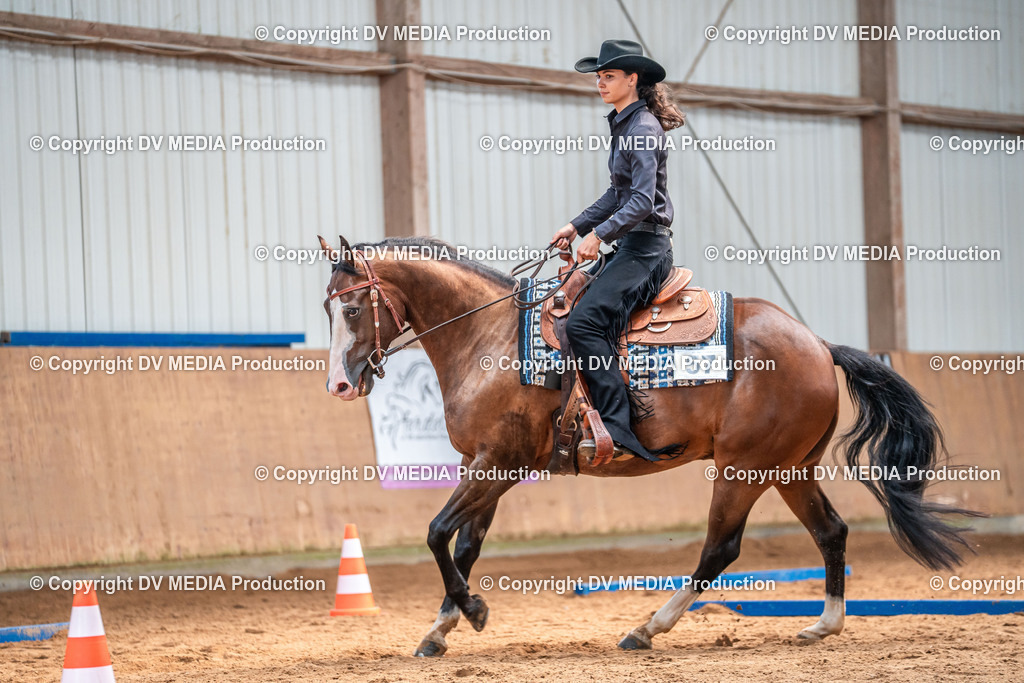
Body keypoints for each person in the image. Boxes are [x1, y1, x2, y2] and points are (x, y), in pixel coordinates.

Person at [549, 39, 685, 463]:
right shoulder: (625, 125)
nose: (601, 83)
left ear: (632, 79)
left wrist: (598, 235)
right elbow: (616, 194)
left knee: (585, 324)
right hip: (631, 244)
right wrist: (576, 226)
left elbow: (641, 201)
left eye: (609, 76)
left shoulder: (641, 128)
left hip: (646, 250)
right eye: (599, 77)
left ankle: (616, 429)